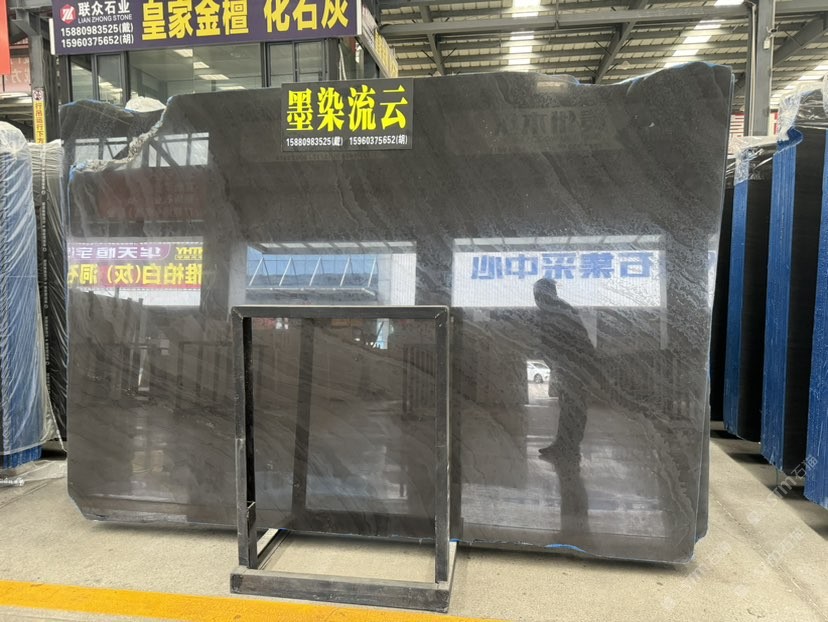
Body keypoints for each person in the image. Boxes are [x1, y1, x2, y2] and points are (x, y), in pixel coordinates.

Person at [532, 277, 596, 460]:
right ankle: (564, 444)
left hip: (575, 365)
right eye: (535, 295)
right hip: (569, 365)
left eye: (538, 294)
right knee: (568, 405)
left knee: (573, 406)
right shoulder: (552, 311)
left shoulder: (559, 311)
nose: (536, 299)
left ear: (548, 294)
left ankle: (569, 446)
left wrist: (561, 363)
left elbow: (566, 342)